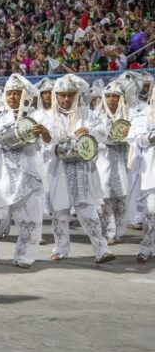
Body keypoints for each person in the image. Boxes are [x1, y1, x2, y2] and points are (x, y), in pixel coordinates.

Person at [0, 74, 51, 267]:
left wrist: (43, 131)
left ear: (24, 95)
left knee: (30, 217)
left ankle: (24, 256)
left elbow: (49, 140)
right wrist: (11, 135)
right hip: (3, 171)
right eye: (9, 93)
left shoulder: (35, 116)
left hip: (29, 170)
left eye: (17, 94)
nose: (13, 97)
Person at [45, 74, 115, 264]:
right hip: (58, 169)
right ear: (56, 96)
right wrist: (56, 148)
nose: (66, 99)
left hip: (84, 170)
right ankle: (60, 249)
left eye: (70, 95)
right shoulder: (48, 116)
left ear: (76, 95)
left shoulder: (87, 114)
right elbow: (44, 144)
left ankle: (101, 250)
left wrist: (89, 132)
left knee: (88, 212)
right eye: (62, 95)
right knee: (59, 213)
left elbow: (104, 133)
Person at [95, 81, 133, 245]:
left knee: (122, 196)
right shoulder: (96, 115)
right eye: (108, 96)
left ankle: (119, 231)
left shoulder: (128, 114)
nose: (111, 99)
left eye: (115, 96)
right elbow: (95, 136)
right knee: (106, 197)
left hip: (122, 159)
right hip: (103, 159)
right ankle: (108, 232)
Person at [128, 87, 155, 262]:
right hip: (150, 169)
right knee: (151, 210)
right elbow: (137, 138)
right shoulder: (144, 115)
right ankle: (147, 246)